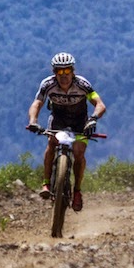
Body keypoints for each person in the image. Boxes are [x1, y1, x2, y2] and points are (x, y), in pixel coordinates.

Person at [26, 52, 106, 212]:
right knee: (51, 144)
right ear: (54, 72)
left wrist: (93, 119)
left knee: (78, 152)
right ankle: (46, 184)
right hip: (58, 119)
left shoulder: (83, 84)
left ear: (73, 71)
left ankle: (77, 191)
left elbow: (100, 104)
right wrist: (33, 122)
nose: (64, 75)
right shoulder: (47, 84)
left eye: (67, 71)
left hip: (80, 121)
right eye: (59, 71)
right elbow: (37, 103)